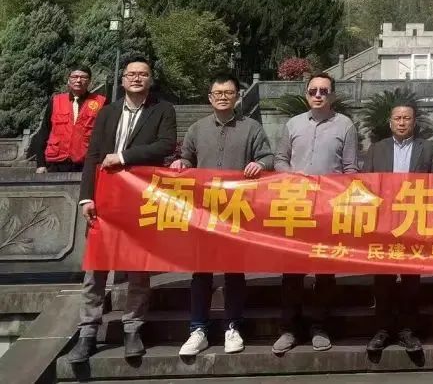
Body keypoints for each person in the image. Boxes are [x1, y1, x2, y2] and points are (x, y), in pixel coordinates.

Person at [66, 57, 177, 364]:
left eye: (143, 74)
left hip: (140, 199)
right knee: (96, 269)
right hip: (105, 197)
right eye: (131, 74)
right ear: (123, 79)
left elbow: (166, 145)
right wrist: (86, 198)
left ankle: (133, 328)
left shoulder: (162, 110)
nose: (136, 78)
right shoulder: (108, 111)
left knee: (138, 269)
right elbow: (93, 156)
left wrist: (124, 156)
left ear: (151, 79)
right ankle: (87, 331)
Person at [172, 72, 274, 358]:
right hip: (203, 211)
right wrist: (180, 162)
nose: (223, 97)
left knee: (233, 272)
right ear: (210, 97)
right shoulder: (196, 129)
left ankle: (233, 325)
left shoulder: (251, 128)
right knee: (201, 272)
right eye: (218, 93)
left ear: (237, 96)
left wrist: (259, 164)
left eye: (228, 93)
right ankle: (198, 328)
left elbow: (268, 157)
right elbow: (186, 159)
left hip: (236, 211)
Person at [272, 73, 360, 355]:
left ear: (332, 95)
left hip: (328, 207)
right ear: (306, 93)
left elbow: (351, 169)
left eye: (324, 90)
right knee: (292, 272)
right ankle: (289, 329)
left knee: (324, 272)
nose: (318, 95)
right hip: (295, 205)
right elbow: (279, 160)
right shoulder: (293, 124)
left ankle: (320, 326)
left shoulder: (345, 125)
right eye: (313, 90)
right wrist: (293, 176)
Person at [360, 101, 433, 353]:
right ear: (390, 122)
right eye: (398, 118)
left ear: (414, 121)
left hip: (414, 221)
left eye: (407, 118)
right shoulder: (376, 150)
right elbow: (365, 184)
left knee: (410, 280)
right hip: (383, 222)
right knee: (382, 279)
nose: (402, 122)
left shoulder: (428, 150)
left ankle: (408, 331)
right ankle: (382, 330)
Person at [31, 66, 107, 173]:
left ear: (89, 81)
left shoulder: (101, 102)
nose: (78, 80)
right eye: (75, 77)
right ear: (68, 79)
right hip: (56, 163)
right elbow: (44, 132)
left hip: (85, 163)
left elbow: (106, 135)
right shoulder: (56, 101)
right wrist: (40, 164)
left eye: (83, 77)